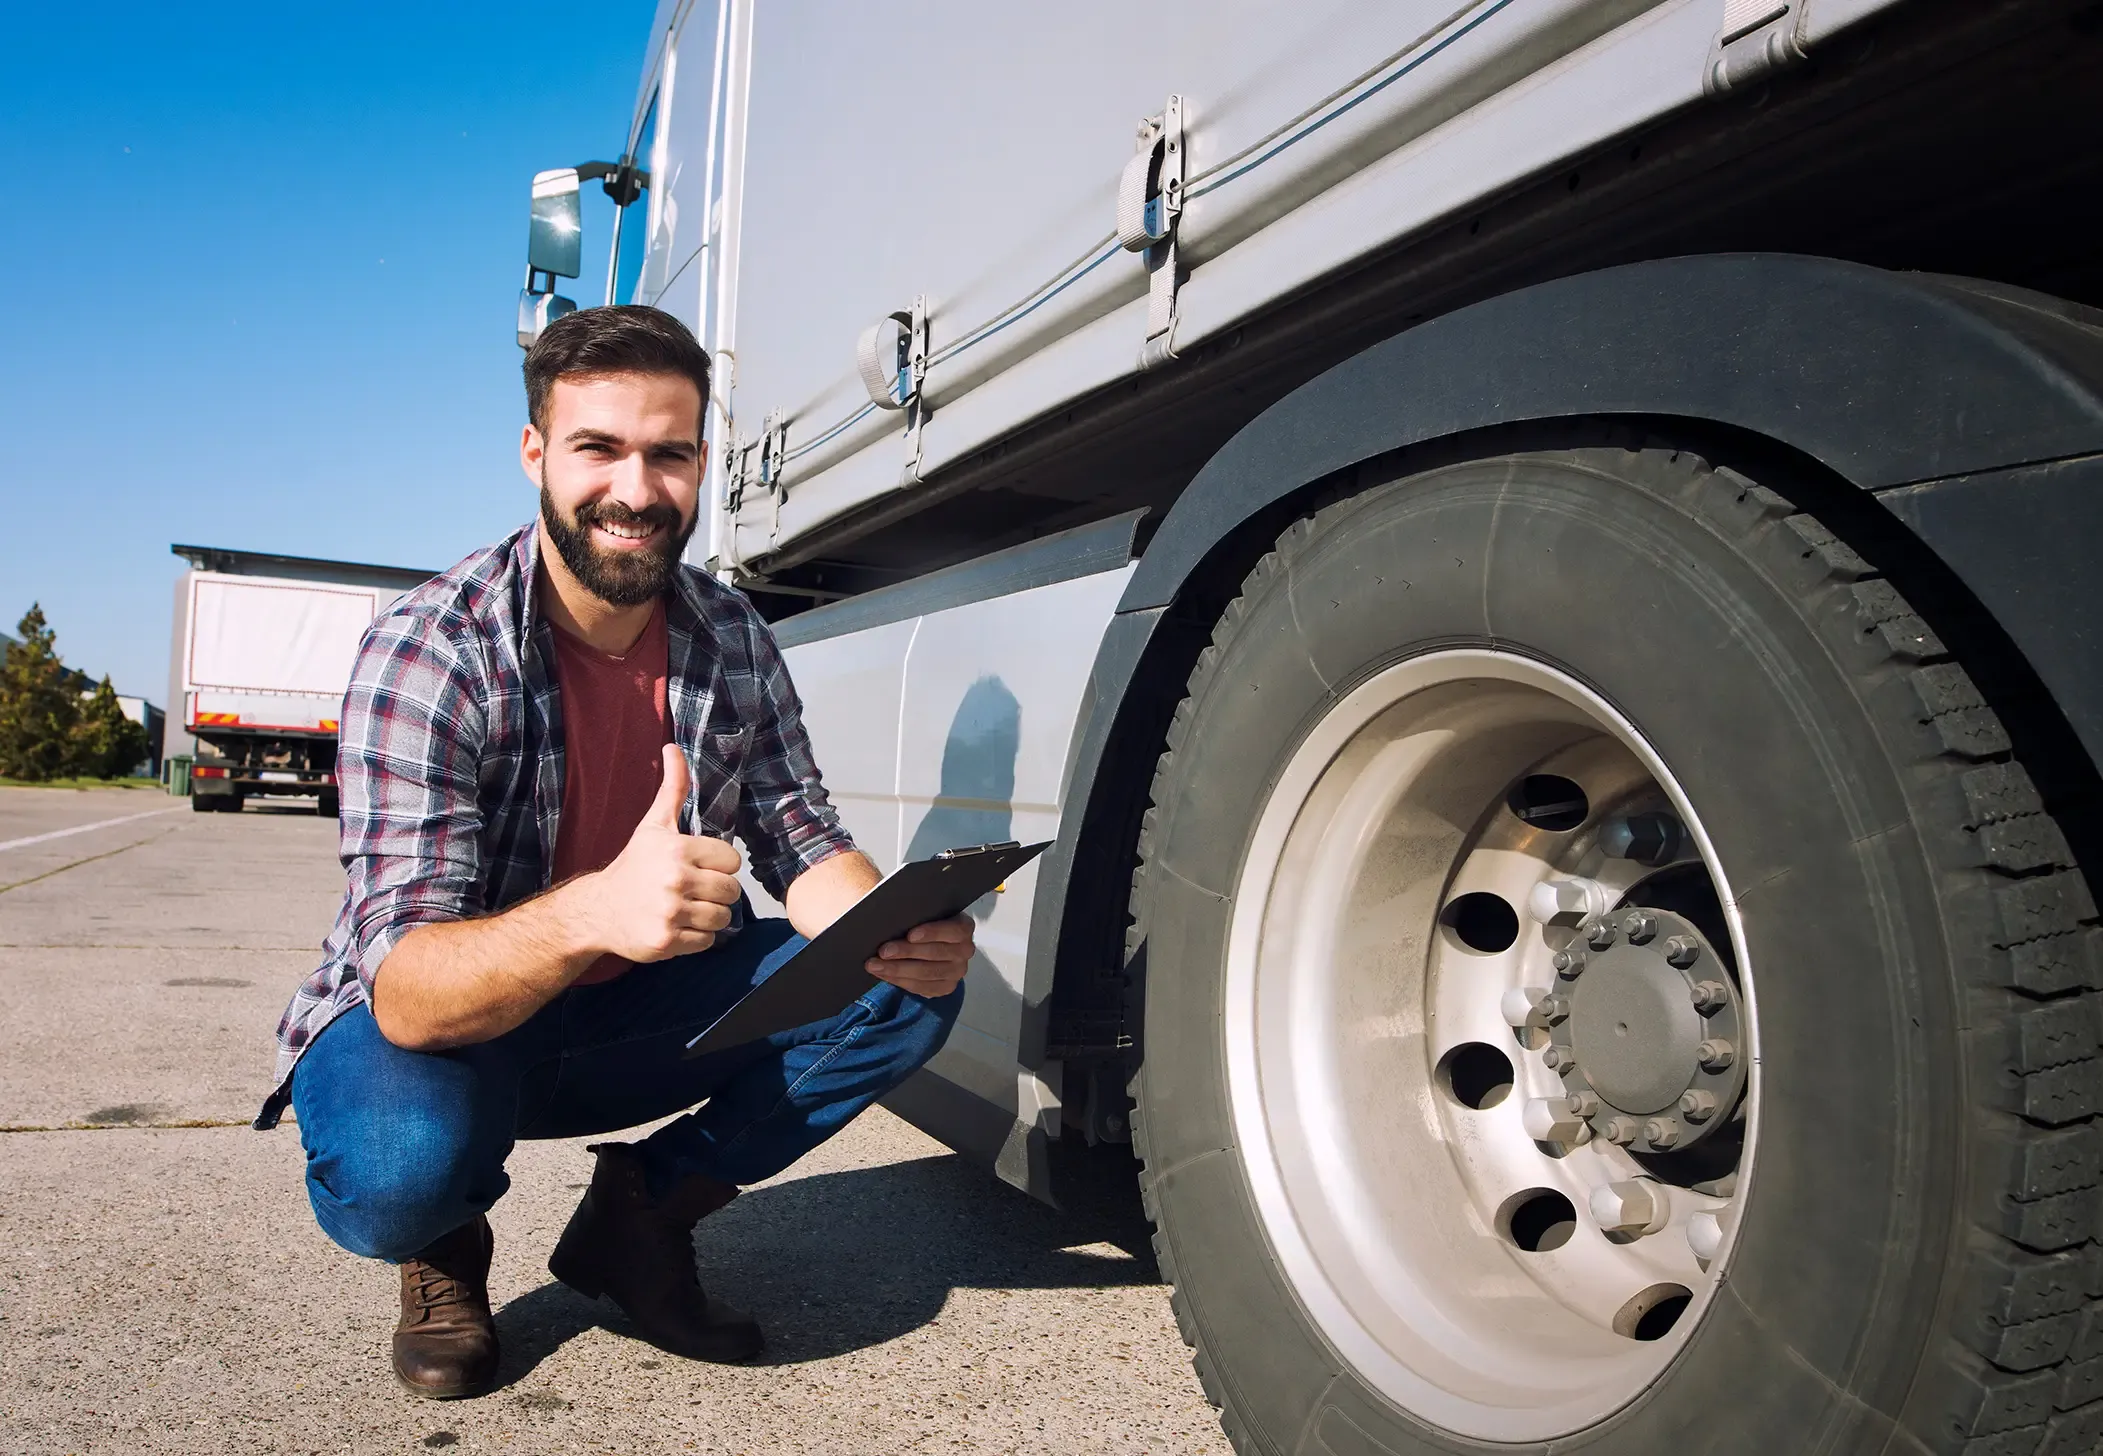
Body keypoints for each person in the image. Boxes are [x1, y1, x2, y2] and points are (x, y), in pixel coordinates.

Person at [253, 305, 974, 1399]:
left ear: (699, 462)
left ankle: (642, 1212)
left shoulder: (732, 637)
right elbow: (405, 990)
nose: (636, 491)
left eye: (669, 453)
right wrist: (596, 909)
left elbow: (804, 836)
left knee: (907, 991)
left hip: (633, 1012)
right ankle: (444, 1240)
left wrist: (891, 929)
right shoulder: (433, 648)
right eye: (599, 448)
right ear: (537, 451)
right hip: (452, 1027)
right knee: (399, 1170)